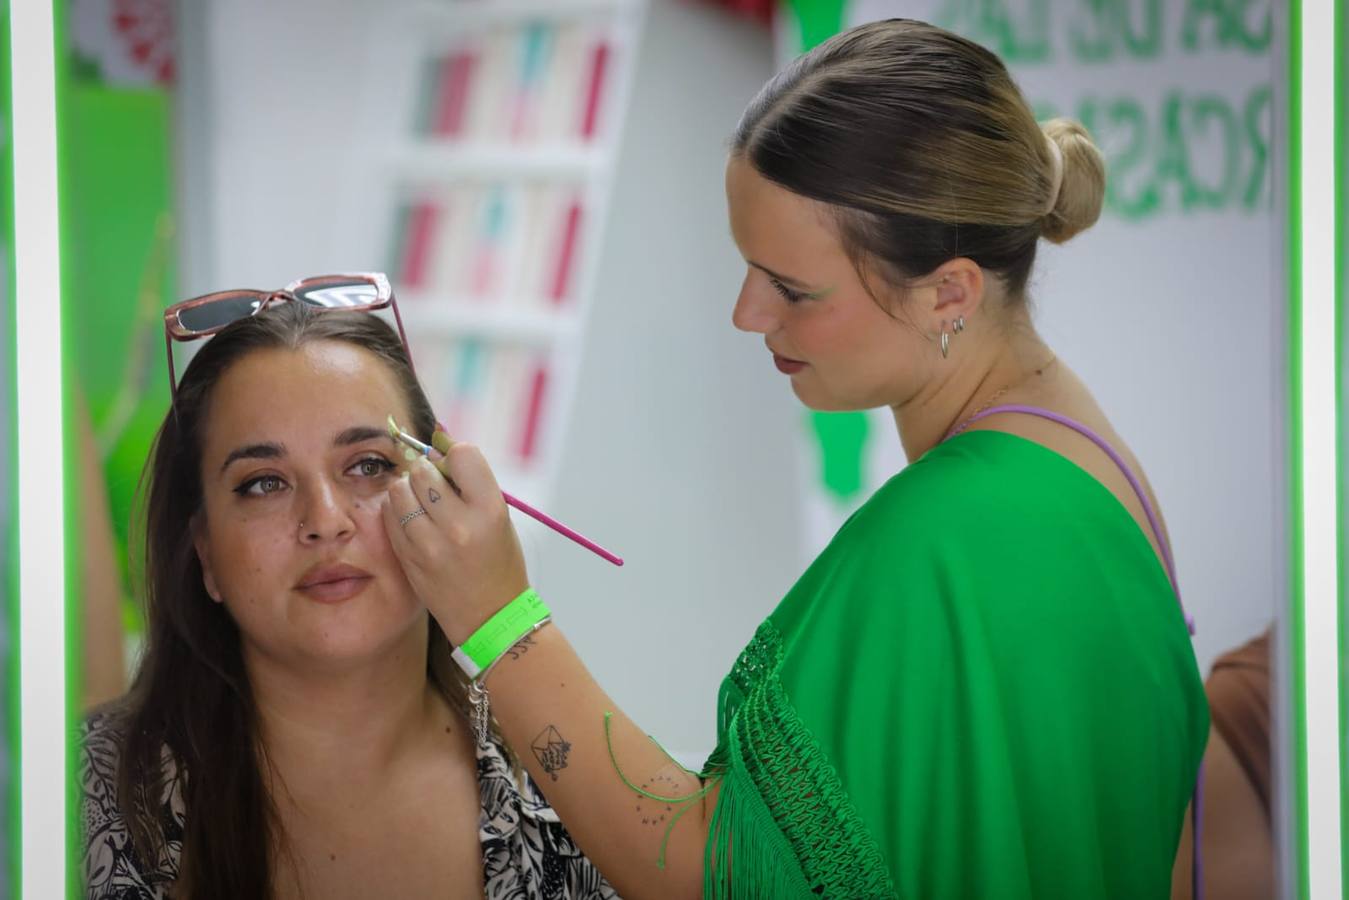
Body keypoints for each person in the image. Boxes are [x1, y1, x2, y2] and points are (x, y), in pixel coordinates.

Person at [382, 18, 1209, 900]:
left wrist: (497, 618)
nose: (747, 312)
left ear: (947, 293)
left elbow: (710, 874)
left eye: (791, 288)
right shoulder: (1091, 465)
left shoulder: (934, 542)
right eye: (748, 266)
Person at [79, 291, 617, 900]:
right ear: (205, 554)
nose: (326, 520)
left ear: (442, 492)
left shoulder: (575, 797)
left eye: (366, 465)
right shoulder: (75, 800)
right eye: (263, 483)